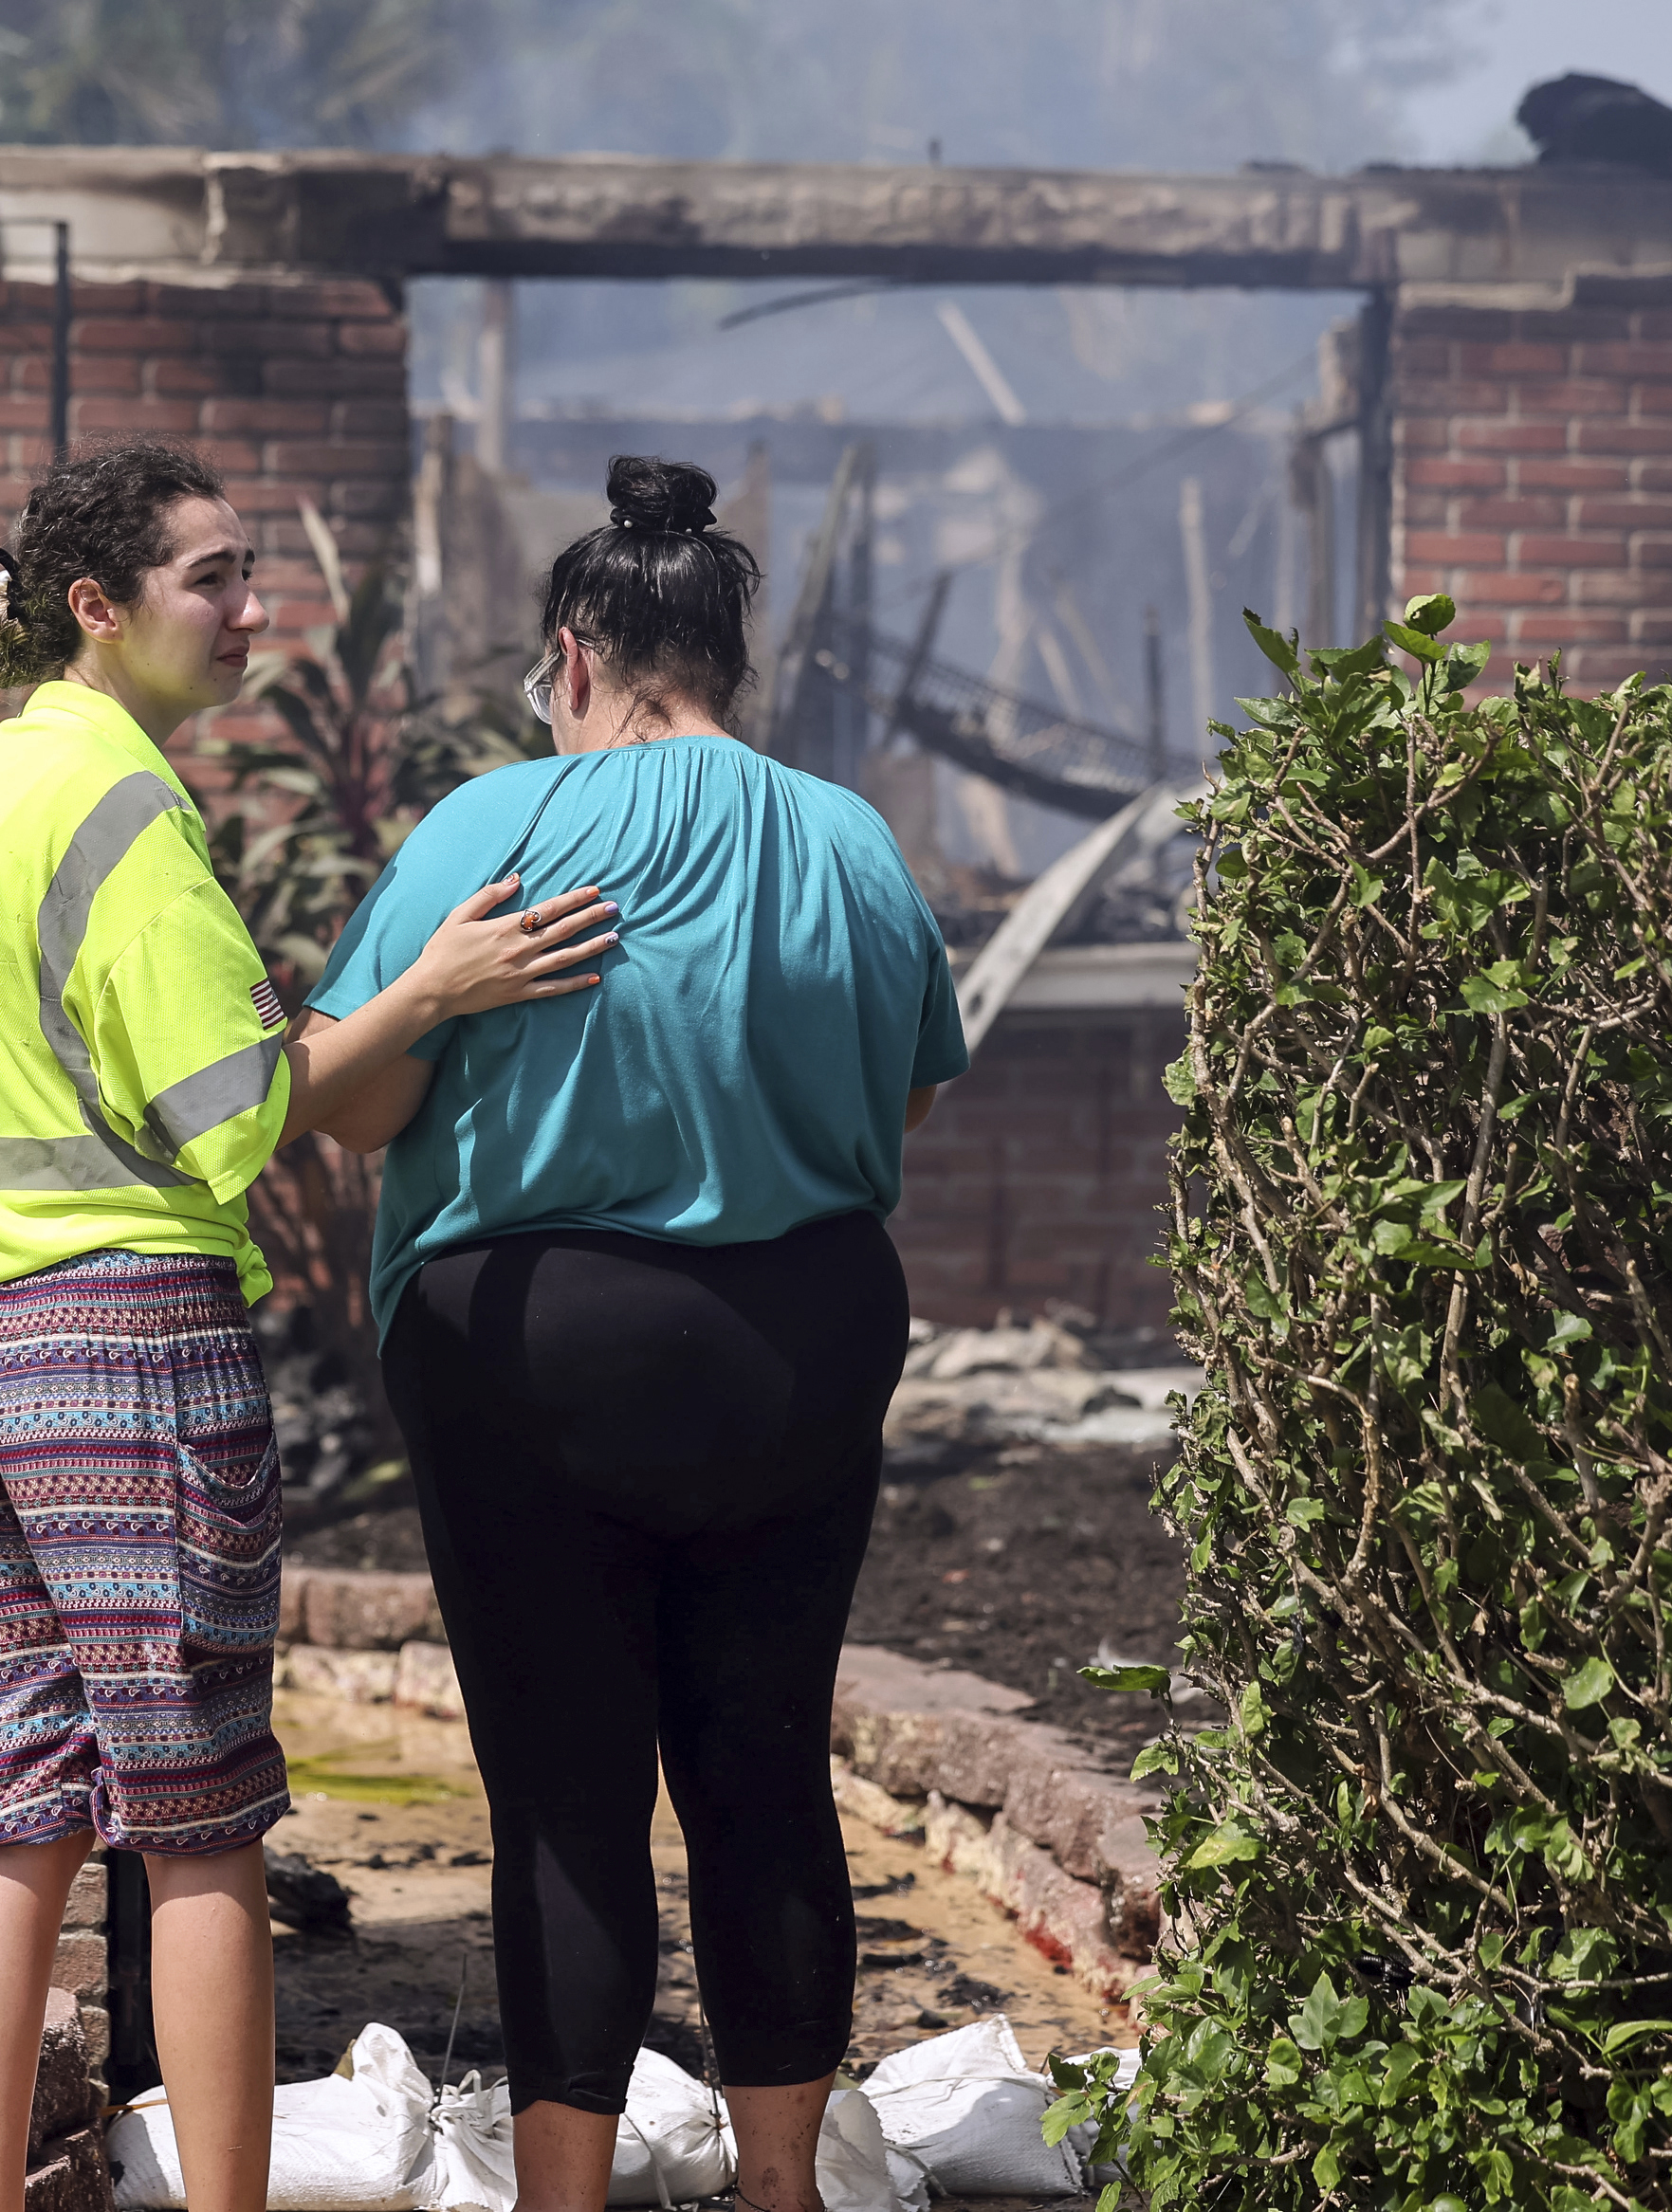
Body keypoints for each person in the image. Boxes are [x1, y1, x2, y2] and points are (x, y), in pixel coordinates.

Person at [0, 439, 617, 2212]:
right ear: (95, 609)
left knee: (10, 1831)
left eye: (251, 571)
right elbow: (247, 1116)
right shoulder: (122, 809)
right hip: (120, 1358)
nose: (253, 611)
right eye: (212, 578)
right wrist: (432, 989)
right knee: (200, 1834)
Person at [301, 455, 968, 2212]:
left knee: (567, 1800)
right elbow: (906, 1071)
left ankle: (563, 2200)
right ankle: (779, 2191)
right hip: (802, 1341)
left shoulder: (488, 828)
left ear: (575, 649)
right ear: (729, 656)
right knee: (765, 1770)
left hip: (533, 1351)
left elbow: (352, 1113)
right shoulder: (849, 836)